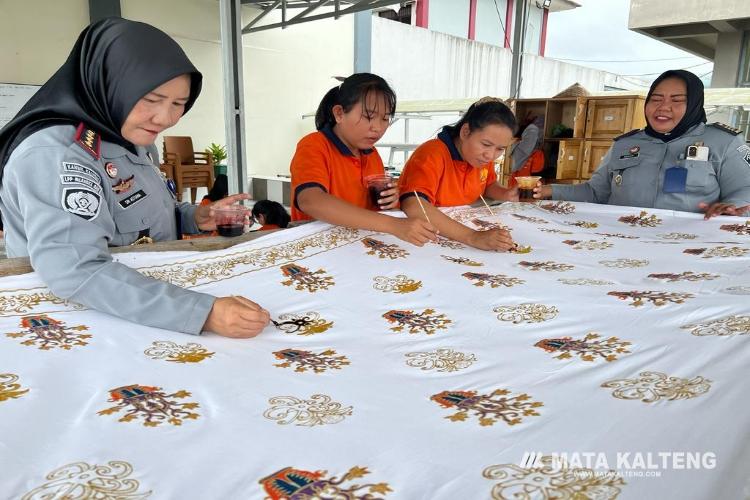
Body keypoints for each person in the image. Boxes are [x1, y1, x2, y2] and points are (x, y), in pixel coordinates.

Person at [0, 18, 269, 338]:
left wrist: (194, 216)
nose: (166, 118)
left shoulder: (129, 136)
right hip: (81, 319)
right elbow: (75, 271)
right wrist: (203, 313)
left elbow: (138, 212)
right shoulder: (56, 153)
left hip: (141, 301)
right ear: (110, 83)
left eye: (179, 104)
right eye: (151, 100)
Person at [534, 70, 750, 219]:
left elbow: (745, 189)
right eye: (656, 99)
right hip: (623, 239)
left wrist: (732, 206)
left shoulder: (724, 142)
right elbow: (596, 193)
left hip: (689, 245)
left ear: (694, 104)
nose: (663, 107)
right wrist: (548, 190)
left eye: (676, 100)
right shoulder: (625, 144)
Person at [289, 73, 436, 246]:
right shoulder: (314, 145)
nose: (378, 128)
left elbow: (372, 210)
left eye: (385, 118)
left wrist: (390, 200)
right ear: (339, 113)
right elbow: (311, 201)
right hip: (317, 245)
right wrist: (394, 225)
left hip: (357, 244)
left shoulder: (371, 154)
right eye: (368, 116)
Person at [398, 98, 518, 251]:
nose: (490, 155)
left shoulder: (479, 157)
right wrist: (474, 237)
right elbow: (414, 205)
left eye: (500, 149)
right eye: (486, 144)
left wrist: (506, 193)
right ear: (465, 132)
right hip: (427, 235)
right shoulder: (433, 153)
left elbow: (487, 184)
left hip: (461, 227)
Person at [509, 114, 545, 185]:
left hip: (524, 174)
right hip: (524, 174)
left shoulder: (532, 130)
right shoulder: (532, 130)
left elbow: (525, 150)